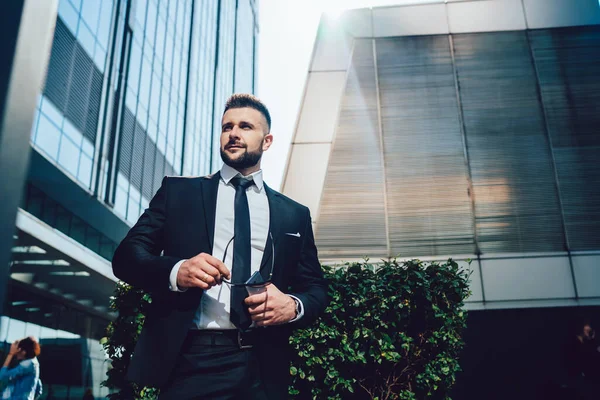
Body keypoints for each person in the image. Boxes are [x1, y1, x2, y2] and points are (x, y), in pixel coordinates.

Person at [112, 94, 328, 399]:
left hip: (264, 363)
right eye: (227, 126)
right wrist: (177, 270)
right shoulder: (179, 192)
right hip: (191, 360)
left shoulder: (294, 214)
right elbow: (126, 257)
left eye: (245, 126)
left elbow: (316, 287)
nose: (234, 133)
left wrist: (293, 306)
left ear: (267, 141)